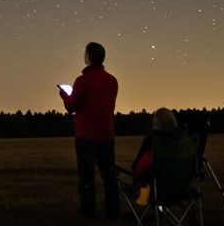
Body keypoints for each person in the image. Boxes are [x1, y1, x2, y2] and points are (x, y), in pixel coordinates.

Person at [59, 41, 119, 219]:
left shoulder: (83, 81)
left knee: (86, 176)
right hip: (107, 135)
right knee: (109, 176)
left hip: (86, 136)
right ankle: (113, 211)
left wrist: (64, 95)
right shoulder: (112, 80)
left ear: (89, 57)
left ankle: (88, 211)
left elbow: (71, 106)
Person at [125, 108, 179, 205]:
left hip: (156, 188)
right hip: (179, 188)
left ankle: (144, 201)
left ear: (156, 122)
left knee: (145, 177)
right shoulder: (180, 140)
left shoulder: (151, 140)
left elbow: (136, 167)